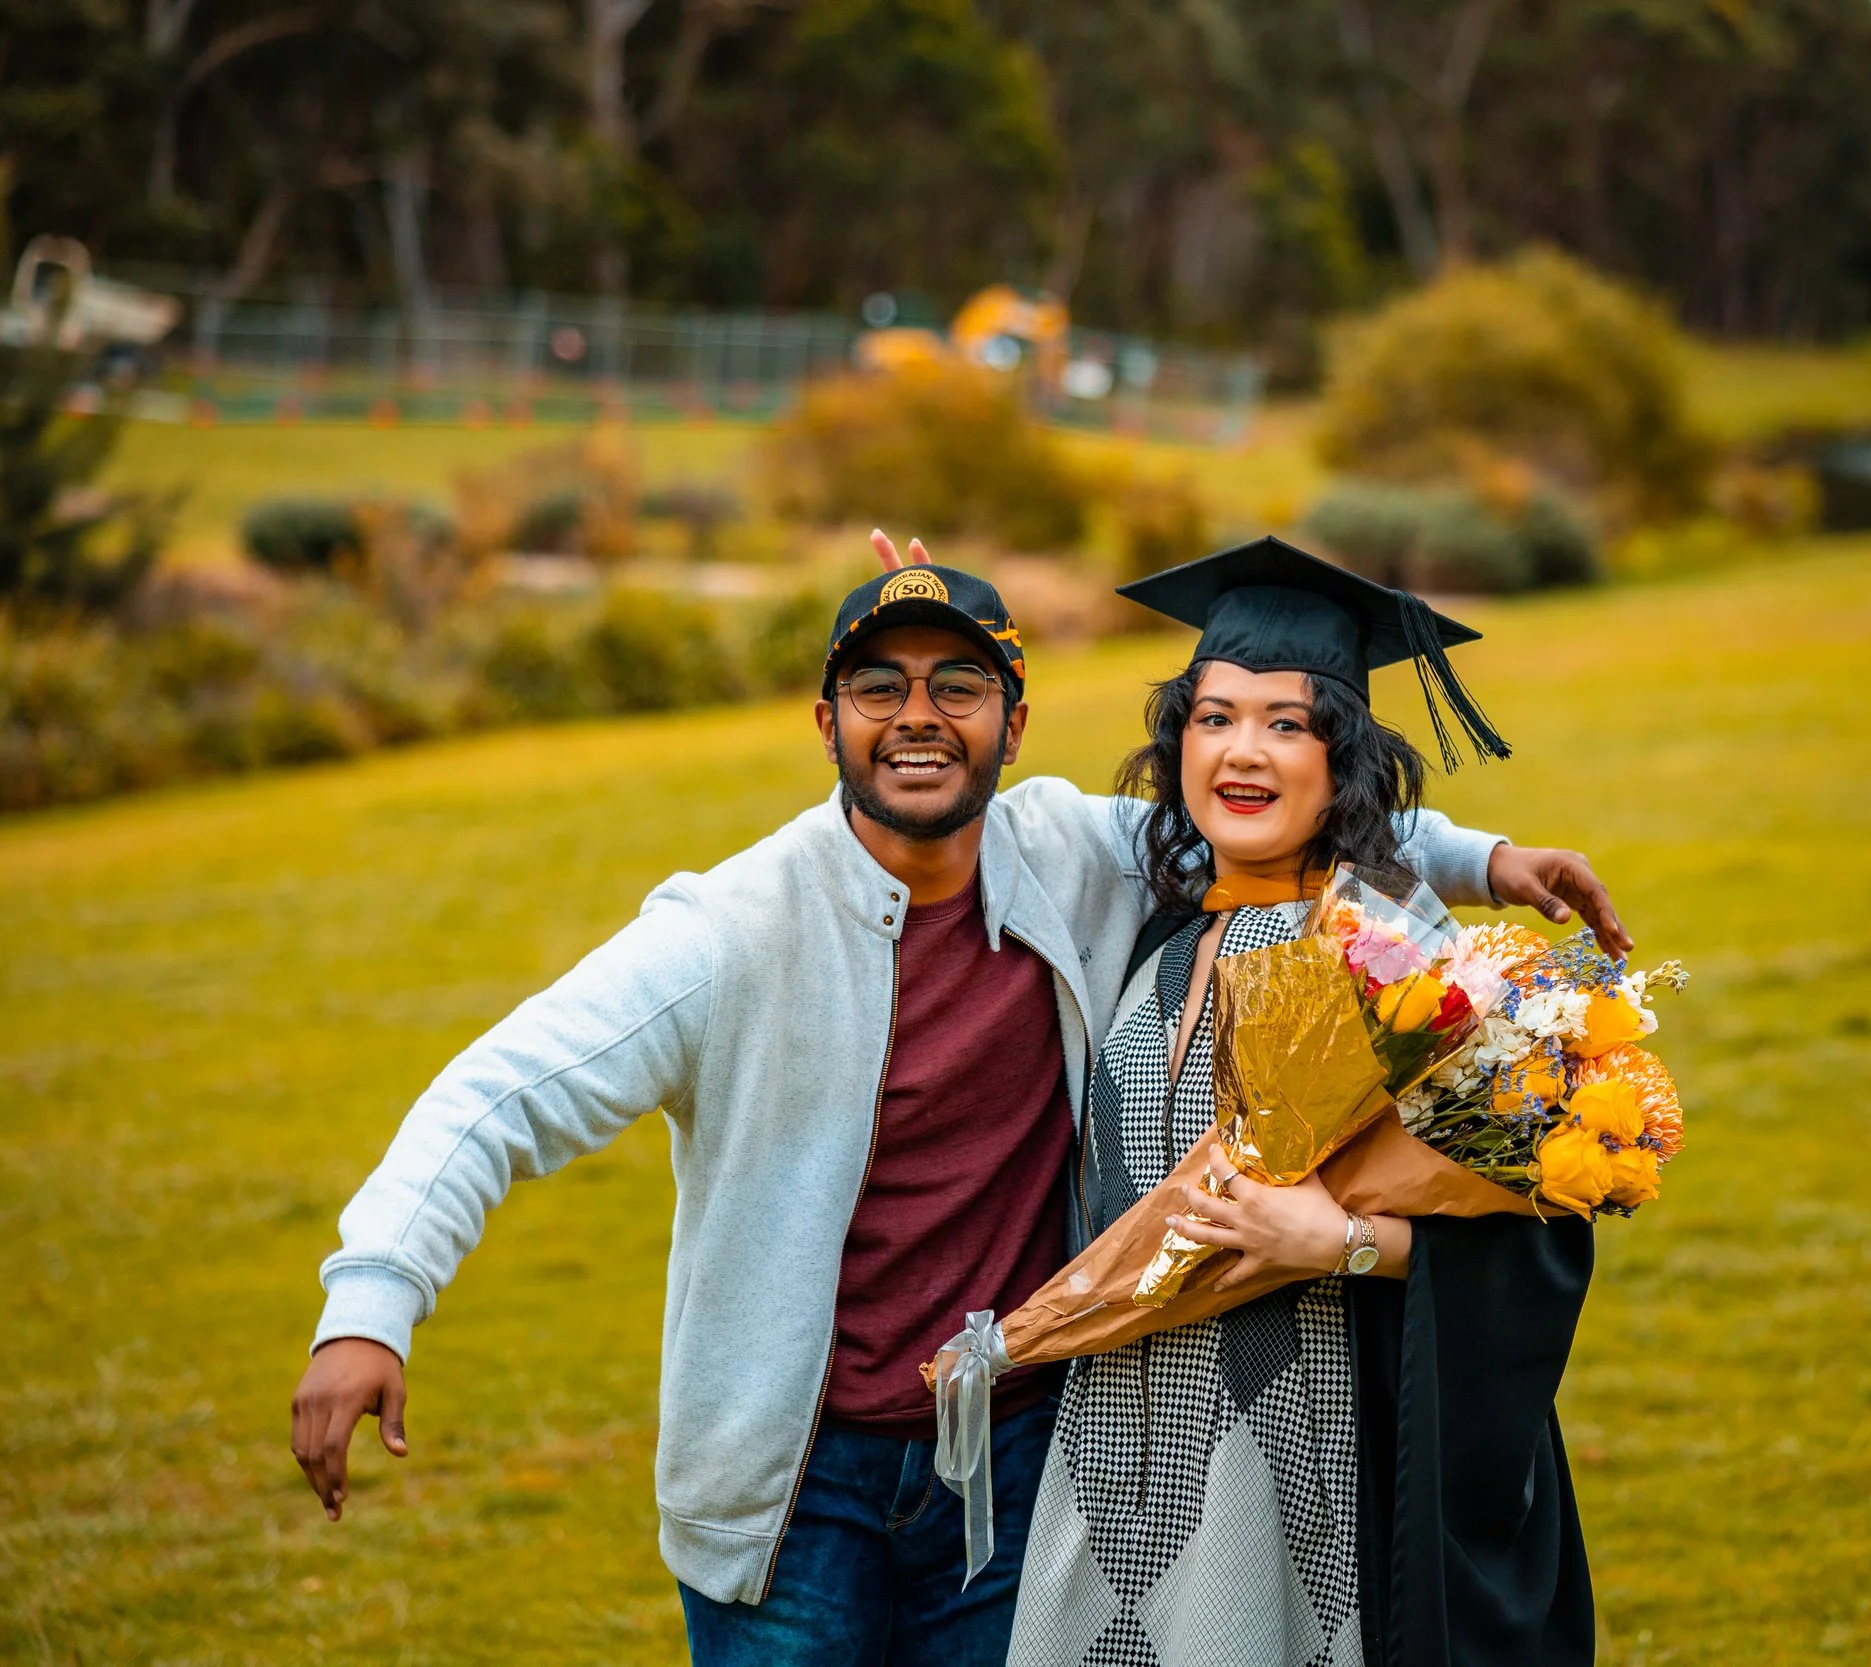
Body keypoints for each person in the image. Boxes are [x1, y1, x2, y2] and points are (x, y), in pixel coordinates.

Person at [287, 531, 1623, 1666]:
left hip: (1017, 1463)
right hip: (792, 1490)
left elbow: (1283, 818)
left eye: (958, 685)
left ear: (1015, 721)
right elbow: (502, 1089)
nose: (918, 715)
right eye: (880, 685)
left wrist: (1487, 859)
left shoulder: (1070, 850)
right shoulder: (729, 932)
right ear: (827, 721)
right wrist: (372, 1300)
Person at [1009, 539, 1605, 1667]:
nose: (1243, 751)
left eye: (1287, 723)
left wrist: (1342, 1241)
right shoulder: (1157, 939)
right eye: (1214, 716)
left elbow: (1535, 1237)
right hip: (1116, 1459)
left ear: (1343, 757)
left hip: (1304, 1465)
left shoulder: (1395, 948)